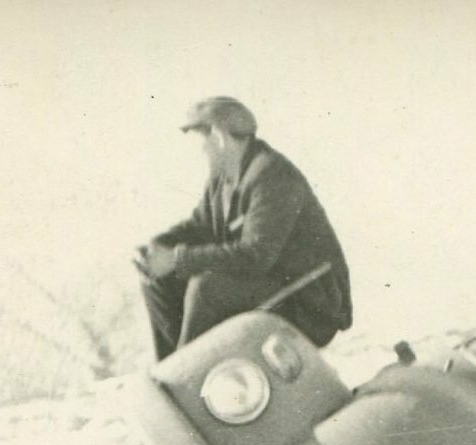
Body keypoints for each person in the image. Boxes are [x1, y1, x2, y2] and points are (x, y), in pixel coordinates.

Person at [137, 97, 352, 360]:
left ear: (217, 136)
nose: (199, 151)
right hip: (272, 289)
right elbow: (201, 226)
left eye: (199, 140)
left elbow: (256, 255)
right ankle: (174, 368)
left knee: (207, 288)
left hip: (310, 303)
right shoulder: (223, 179)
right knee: (158, 280)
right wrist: (159, 247)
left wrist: (177, 259)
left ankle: (186, 374)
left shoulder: (272, 174)